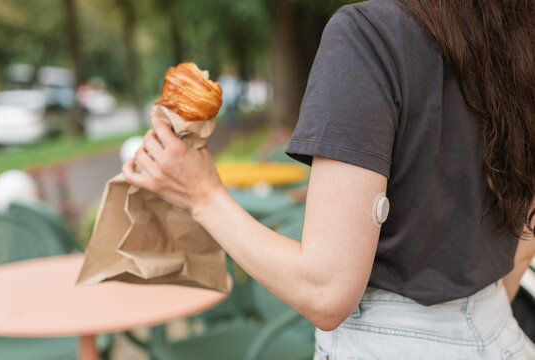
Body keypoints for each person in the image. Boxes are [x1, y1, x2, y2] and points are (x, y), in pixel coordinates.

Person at [122, 0, 535, 357]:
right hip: (502, 335)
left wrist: (203, 195)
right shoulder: (516, 41)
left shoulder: (368, 35)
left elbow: (326, 291)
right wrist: (478, 314)